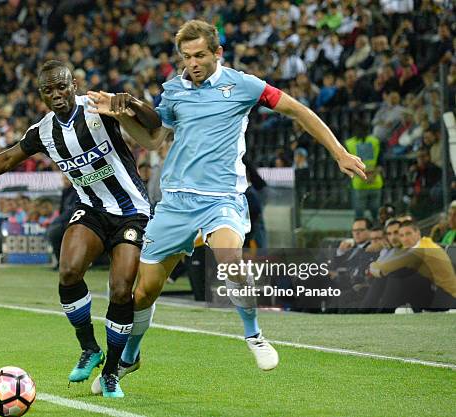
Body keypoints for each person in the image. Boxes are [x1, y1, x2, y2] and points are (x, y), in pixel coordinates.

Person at [87, 19, 366, 390]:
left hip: (222, 199)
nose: (193, 63)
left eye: (200, 55)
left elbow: (299, 110)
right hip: (175, 204)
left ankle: (253, 334)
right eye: (187, 57)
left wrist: (339, 152)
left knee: (230, 260)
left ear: (218, 52)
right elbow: (152, 140)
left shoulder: (244, 85)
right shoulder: (173, 91)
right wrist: (119, 114)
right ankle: (129, 358)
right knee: (143, 292)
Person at [0, 60, 156, 398]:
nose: (57, 94)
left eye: (62, 86)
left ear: (73, 84)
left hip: (132, 212)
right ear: (41, 95)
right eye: (48, 90)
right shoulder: (43, 131)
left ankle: (112, 371)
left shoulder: (97, 107)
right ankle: (89, 348)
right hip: (93, 210)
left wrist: (132, 103)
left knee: (120, 289)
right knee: (68, 272)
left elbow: (154, 127)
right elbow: (8, 158)